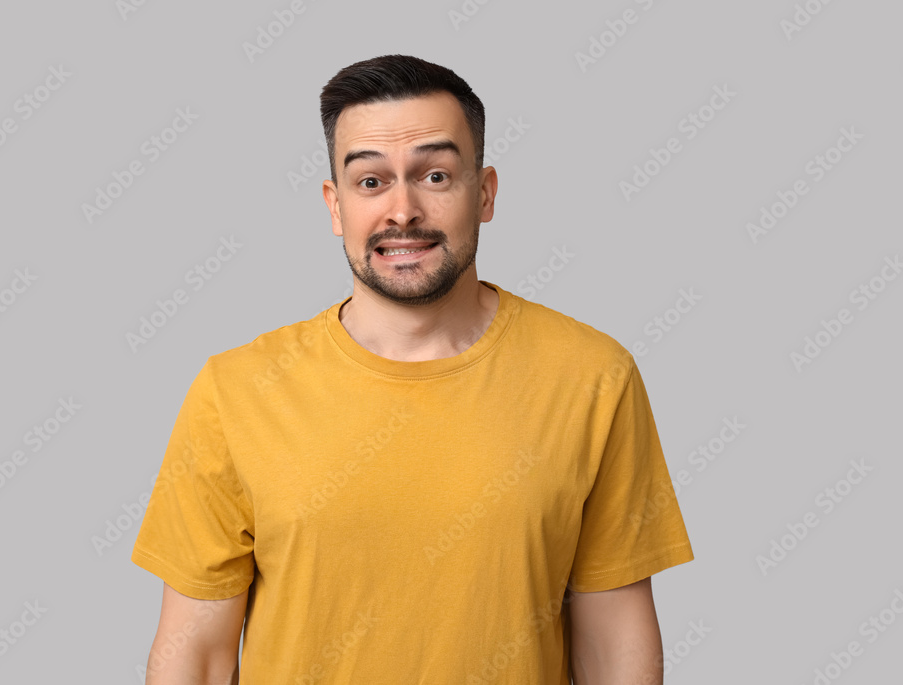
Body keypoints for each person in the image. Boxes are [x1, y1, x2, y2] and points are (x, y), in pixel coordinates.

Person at [131, 53, 694, 684]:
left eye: (434, 175)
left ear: (483, 194)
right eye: (370, 182)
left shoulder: (593, 378)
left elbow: (614, 640)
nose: (402, 211)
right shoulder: (235, 392)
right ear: (335, 205)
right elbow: (196, 657)